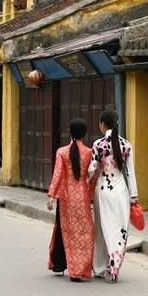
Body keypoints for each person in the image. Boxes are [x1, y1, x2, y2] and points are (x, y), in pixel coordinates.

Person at [88, 110, 138, 283]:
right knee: (120, 230)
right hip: (121, 192)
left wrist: (85, 184)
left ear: (103, 124)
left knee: (102, 229)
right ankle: (114, 266)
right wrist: (134, 196)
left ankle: (101, 267)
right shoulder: (126, 145)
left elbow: (92, 169)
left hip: (103, 190)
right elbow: (130, 172)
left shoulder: (98, 144)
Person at [46, 119, 95, 282]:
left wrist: (52, 196)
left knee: (67, 232)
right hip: (82, 198)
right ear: (84, 134)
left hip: (66, 199)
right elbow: (92, 177)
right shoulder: (89, 152)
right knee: (84, 233)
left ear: (70, 132)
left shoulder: (62, 152)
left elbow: (58, 175)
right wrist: (93, 197)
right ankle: (80, 269)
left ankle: (68, 267)